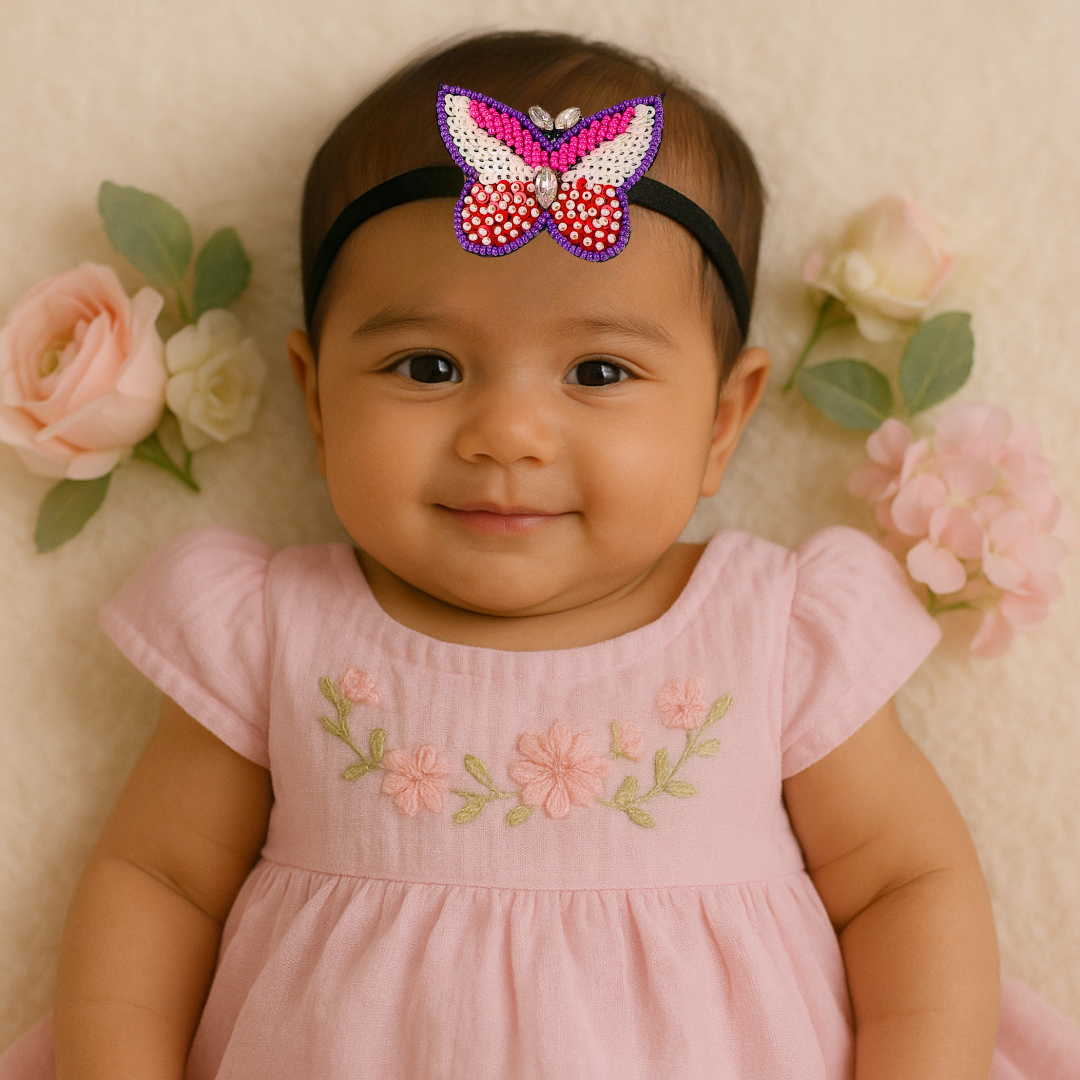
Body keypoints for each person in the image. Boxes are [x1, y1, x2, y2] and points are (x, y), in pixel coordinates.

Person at [2, 28, 1078, 1080]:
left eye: (598, 373)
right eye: (427, 366)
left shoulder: (772, 633)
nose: (507, 435)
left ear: (722, 421)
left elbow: (903, 884)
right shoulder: (271, 633)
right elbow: (162, 883)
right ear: (316, 397)